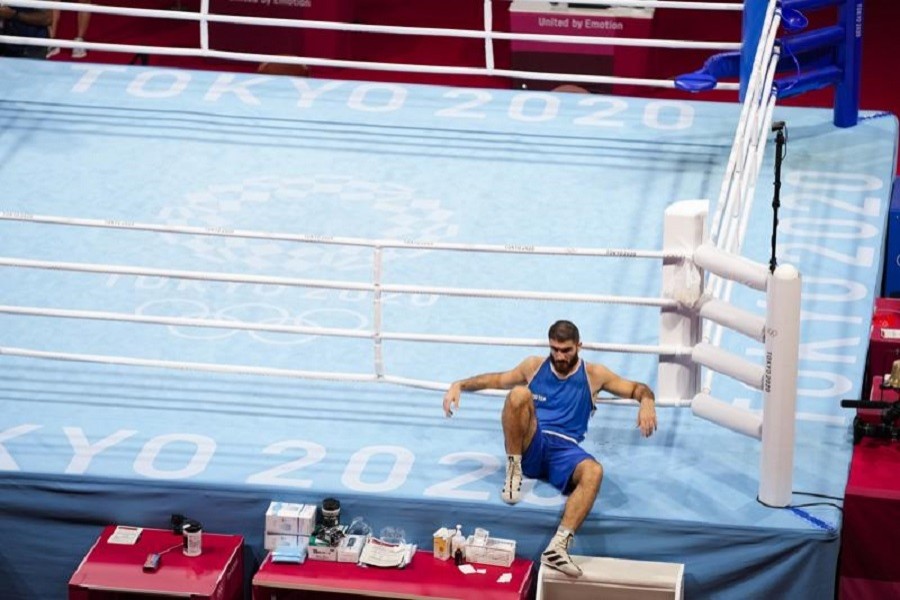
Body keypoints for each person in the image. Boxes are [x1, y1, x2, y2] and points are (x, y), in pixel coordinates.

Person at [442, 319, 657, 577]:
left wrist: (647, 401)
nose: (559, 355)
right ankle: (514, 470)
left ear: (579, 346)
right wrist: (460, 384)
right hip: (533, 440)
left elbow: (636, 388)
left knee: (594, 472)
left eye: (566, 350)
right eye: (554, 349)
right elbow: (498, 379)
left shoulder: (594, 375)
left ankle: (557, 547)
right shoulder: (534, 366)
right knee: (518, 394)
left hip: (566, 450)